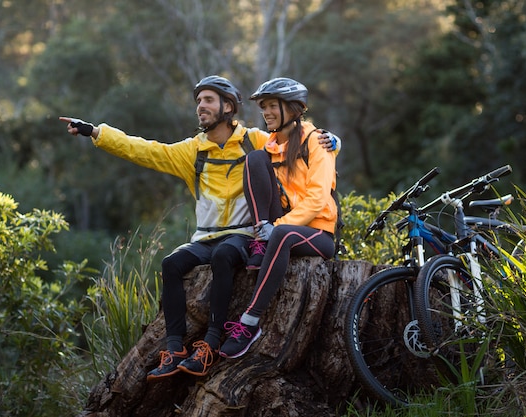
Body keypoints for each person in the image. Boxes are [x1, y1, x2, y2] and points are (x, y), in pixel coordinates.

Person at [59, 75, 339, 380]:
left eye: (208, 100)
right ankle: (175, 347)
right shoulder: (192, 151)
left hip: (246, 235)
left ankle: (214, 340)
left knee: (225, 251)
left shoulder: (254, 140)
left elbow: (299, 141)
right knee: (171, 263)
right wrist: (97, 132)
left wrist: (333, 142)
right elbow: (144, 150)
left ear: (228, 106)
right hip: (206, 236)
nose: (200, 107)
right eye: (198, 102)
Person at [218, 77, 339, 359]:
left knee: (282, 234)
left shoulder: (317, 142)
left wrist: (279, 227)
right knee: (254, 159)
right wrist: (268, 229)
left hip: (318, 234)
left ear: (294, 109)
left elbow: (317, 199)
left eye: (273, 106)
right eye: (264, 107)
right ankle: (261, 241)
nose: (266, 112)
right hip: (278, 227)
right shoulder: (272, 145)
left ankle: (249, 323)